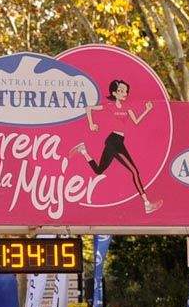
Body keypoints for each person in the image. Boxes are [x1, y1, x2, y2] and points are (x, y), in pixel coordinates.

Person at [69, 78, 162, 214]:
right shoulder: (109, 105)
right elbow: (88, 108)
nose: (124, 93)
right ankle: (147, 204)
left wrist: (147, 110)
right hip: (113, 141)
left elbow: (136, 121)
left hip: (118, 141)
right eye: (120, 91)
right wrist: (91, 124)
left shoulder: (127, 107)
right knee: (134, 171)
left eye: (125, 91)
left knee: (99, 170)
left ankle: (83, 151)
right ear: (114, 93)